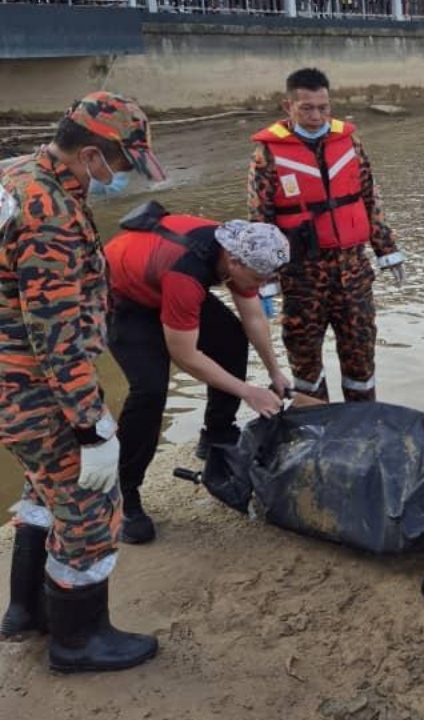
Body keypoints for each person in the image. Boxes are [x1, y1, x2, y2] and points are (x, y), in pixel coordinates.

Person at [0, 92, 165, 671]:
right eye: (120, 164)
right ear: (91, 154)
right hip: (30, 385)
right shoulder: (52, 216)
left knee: (43, 487)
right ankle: (77, 641)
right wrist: (93, 428)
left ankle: (26, 610)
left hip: (9, 380)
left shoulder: (15, 174)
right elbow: (57, 339)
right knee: (92, 505)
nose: (120, 177)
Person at [104, 203, 292, 544]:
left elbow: (253, 319)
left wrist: (274, 372)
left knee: (231, 338)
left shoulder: (240, 248)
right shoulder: (187, 273)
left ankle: (217, 434)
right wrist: (248, 391)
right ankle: (123, 493)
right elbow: (185, 355)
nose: (262, 287)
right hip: (122, 298)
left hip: (161, 283)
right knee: (149, 390)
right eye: (259, 279)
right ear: (234, 263)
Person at [248, 66, 404, 404]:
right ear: (287, 106)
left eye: (324, 107)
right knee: (304, 361)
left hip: (353, 271)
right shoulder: (267, 154)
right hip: (302, 277)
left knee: (361, 355)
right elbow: (260, 219)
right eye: (307, 108)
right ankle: (313, 428)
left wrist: (386, 249)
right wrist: (264, 278)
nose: (317, 116)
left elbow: (369, 198)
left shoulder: (349, 141)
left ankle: (362, 425)